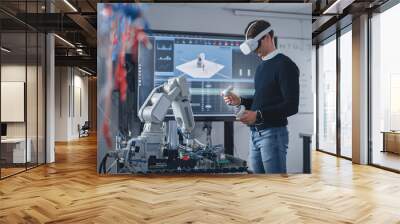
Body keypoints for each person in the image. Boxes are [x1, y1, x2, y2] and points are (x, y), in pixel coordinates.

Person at [224, 20, 299, 174]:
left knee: (274, 186)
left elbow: (292, 105)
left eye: (255, 45)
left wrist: (258, 115)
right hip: (255, 135)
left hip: (273, 135)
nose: (254, 51)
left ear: (266, 37)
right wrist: (241, 100)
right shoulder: (260, 67)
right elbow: (262, 100)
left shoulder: (285, 65)